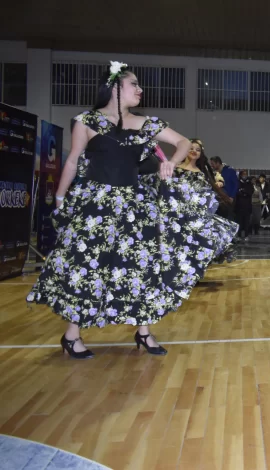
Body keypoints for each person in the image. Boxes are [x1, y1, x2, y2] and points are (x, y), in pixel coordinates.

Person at [26, 61, 211, 358]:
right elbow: (73, 160)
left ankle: (144, 333)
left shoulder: (145, 123)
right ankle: (72, 336)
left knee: (141, 267)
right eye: (133, 84)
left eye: (139, 85)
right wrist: (60, 199)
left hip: (135, 206)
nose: (140, 89)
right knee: (86, 267)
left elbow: (182, 142)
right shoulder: (86, 121)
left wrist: (171, 162)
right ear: (114, 87)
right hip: (95, 206)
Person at [170, 138, 239, 262]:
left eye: (198, 150)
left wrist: (219, 183)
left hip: (197, 214)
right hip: (178, 213)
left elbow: (216, 180)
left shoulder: (202, 173)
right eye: (191, 148)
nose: (194, 151)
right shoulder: (175, 168)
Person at [209, 156, 238, 221]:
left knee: (228, 218)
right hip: (218, 200)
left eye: (213, 164)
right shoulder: (215, 173)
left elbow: (236, 184)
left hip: (228, 199)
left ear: (218, 163)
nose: (212, 166)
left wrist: (232, 197)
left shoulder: (230, 171)